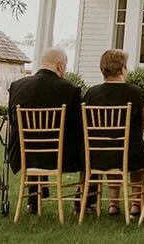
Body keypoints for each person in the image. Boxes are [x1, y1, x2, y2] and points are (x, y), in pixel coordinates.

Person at [7, 48, 85, 214]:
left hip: (24, 155)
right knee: (88, 149)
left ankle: (33, 200)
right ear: (60, 65)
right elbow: (79, 127)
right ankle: (81, 202)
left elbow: (13, 123)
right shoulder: (70, 89)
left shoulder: (17, 86)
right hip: (61, 156)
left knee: (35, 141)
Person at [82, 49, 144, 217]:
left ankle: (113, 203)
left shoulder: (91, 93)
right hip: (129, 152)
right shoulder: (135, 92)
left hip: (97, 154)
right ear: (123, 68)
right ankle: (136, 203)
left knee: (113, 150)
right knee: (138, 159)